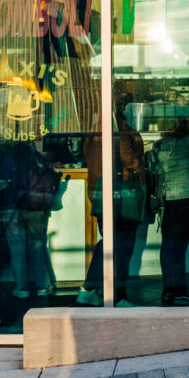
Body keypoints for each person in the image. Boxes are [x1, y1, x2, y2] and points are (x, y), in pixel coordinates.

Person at [79, 90, 146, 307]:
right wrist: (142, 171)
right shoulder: (121, 128)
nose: (126, 109)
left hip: (99, 192)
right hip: (121, 194)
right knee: (122, 247)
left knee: (109, 242)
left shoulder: (92, 130)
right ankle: (115, 296)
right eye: (124, 105)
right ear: (118, 107)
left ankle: (95, 291)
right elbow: (129, 160)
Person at [153, 111, 189, 306]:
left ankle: (168, 291)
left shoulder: (161, 145)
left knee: (168, 247)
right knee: (178, 247)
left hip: (169, 199)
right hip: (185, 199)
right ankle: (179, 291)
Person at [3, 140, 56, 299]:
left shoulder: (8, 159)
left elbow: (0, 182)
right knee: (37, 248)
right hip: (36, 208)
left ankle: (22, 288)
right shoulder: (38, 158)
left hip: (13, 208)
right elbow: (51, 180)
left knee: (17, 251)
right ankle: (43, 286)